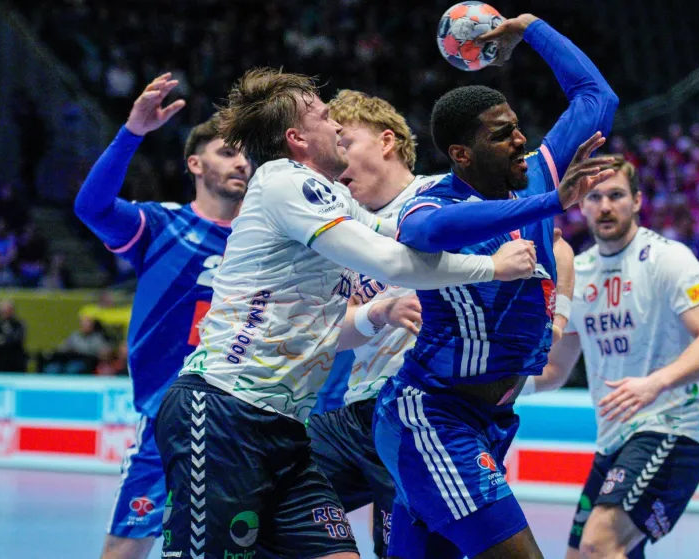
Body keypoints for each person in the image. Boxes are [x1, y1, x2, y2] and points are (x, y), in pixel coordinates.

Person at [154, 66, 545, 559]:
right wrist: (492, 266)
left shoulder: (334, 196)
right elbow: (388, 259)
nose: (337, 126)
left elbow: (399, 241)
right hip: (222, 411)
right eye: (323, 117)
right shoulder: (284, 182)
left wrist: (509, 201)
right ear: (296, 138)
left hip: (287, 428)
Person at [373, 13, 619, 559]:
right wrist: (552, 203)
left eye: (516, 126)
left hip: (489, 422)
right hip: (434, 417)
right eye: (501, 133)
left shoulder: (535, 175)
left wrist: (532, 29)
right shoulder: (434, 202)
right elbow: (426, 232)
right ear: (462, 154)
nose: (520, 140)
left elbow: (596, 97)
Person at [74, 73, 253, 559]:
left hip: (247, 423)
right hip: (167, 424)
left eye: (247, 154)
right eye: (227, 152)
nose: (241, 162)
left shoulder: (267, 243)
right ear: (195, 163)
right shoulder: (162, 226)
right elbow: (91, 207)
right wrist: (132, 132)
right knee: (124, 551)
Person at [536, 156, 699, 559]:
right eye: (595, 197)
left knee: (599, 544)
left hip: (671, 426)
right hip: (612, 440)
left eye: (616, 195)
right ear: (582, 205)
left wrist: (655, 383)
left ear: (638, 201)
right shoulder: (580, 271)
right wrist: (493, 386)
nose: (605, 206)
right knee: (582, 555)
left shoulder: (669, 259)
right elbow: (556, 369)